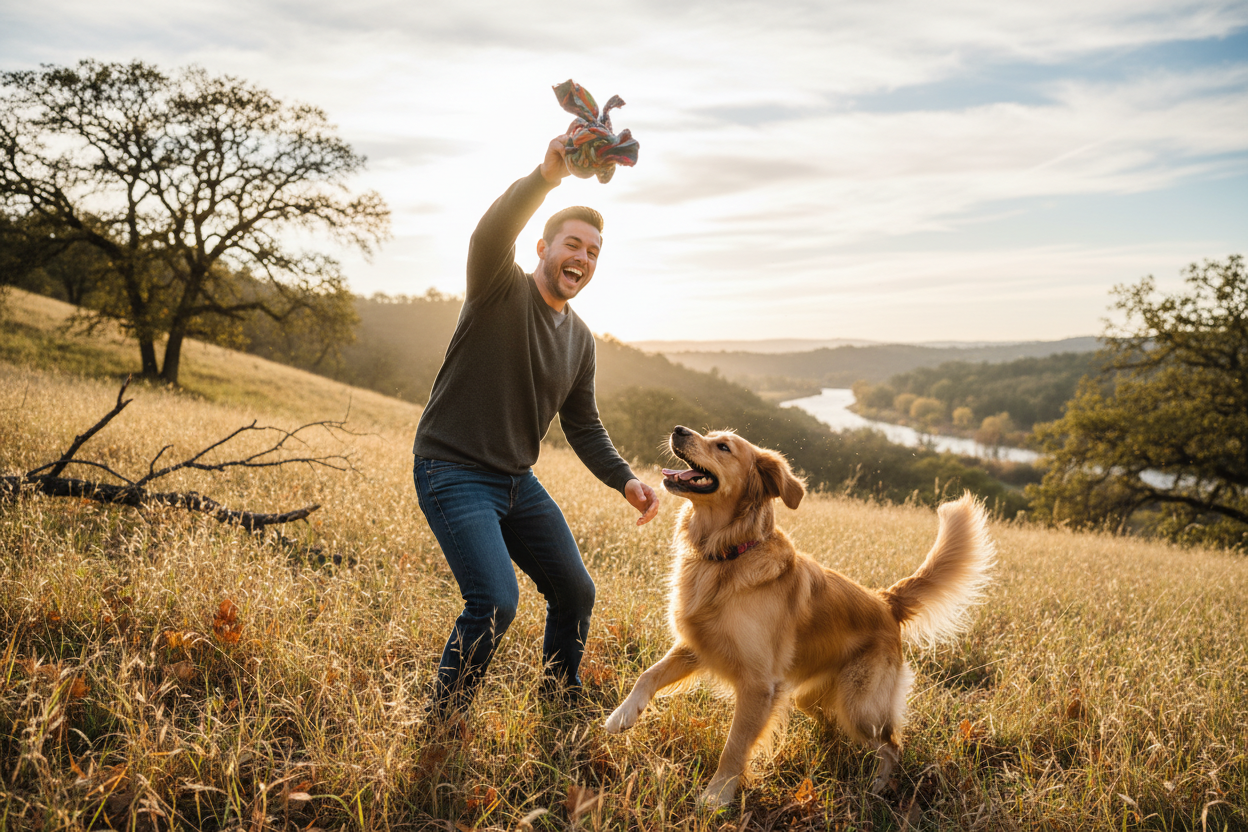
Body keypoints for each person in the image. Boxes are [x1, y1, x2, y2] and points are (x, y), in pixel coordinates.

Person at [412, 133, 660, 718]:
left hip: (516, 482)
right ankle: (443, 720)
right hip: (453, 471)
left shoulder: (579, 339)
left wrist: (626, 481)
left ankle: (558, 703)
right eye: (572, 244)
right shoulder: (499, 289)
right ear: (544, 248)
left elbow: (584, 427)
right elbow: (489, 235)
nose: (582, 258)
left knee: (575, 591)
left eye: (594, 252)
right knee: (495, 601)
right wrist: (546, 177)